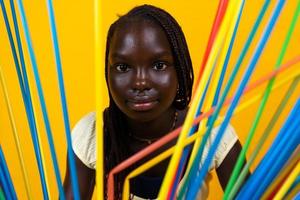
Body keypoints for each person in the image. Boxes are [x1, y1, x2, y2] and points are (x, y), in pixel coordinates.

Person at [64, 4, 243, 199]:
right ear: (108, 73)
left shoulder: (210, 133)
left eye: (159, 65)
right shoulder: (92, 134)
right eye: (123, 67)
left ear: (179, 71)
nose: (140, 82)